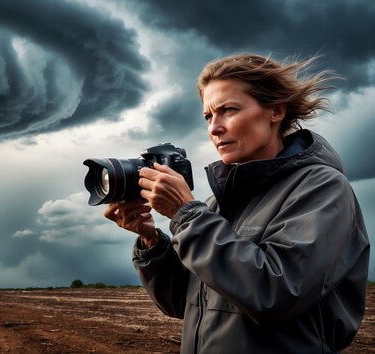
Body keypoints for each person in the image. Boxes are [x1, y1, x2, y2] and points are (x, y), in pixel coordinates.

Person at [104, 53, 370, 353]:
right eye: (208, 116)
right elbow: (184, 301)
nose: (214, 128)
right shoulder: (217, 204)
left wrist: (185, 214)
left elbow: (274, 293)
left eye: (228, 110)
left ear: (275, 111)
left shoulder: (322, 188)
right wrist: (151, 240)